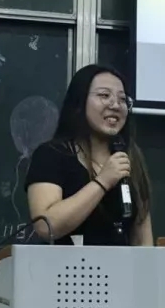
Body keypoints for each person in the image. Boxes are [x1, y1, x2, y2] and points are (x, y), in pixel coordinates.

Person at [25, 64, 153, 246]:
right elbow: (46, 226)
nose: (115, 105)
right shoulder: (51, 154)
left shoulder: (130, 155)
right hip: (64, 264)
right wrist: (103, 181)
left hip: (122, 264)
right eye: (104, 95)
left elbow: (142, 236)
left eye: (122, 99)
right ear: (79, 102)